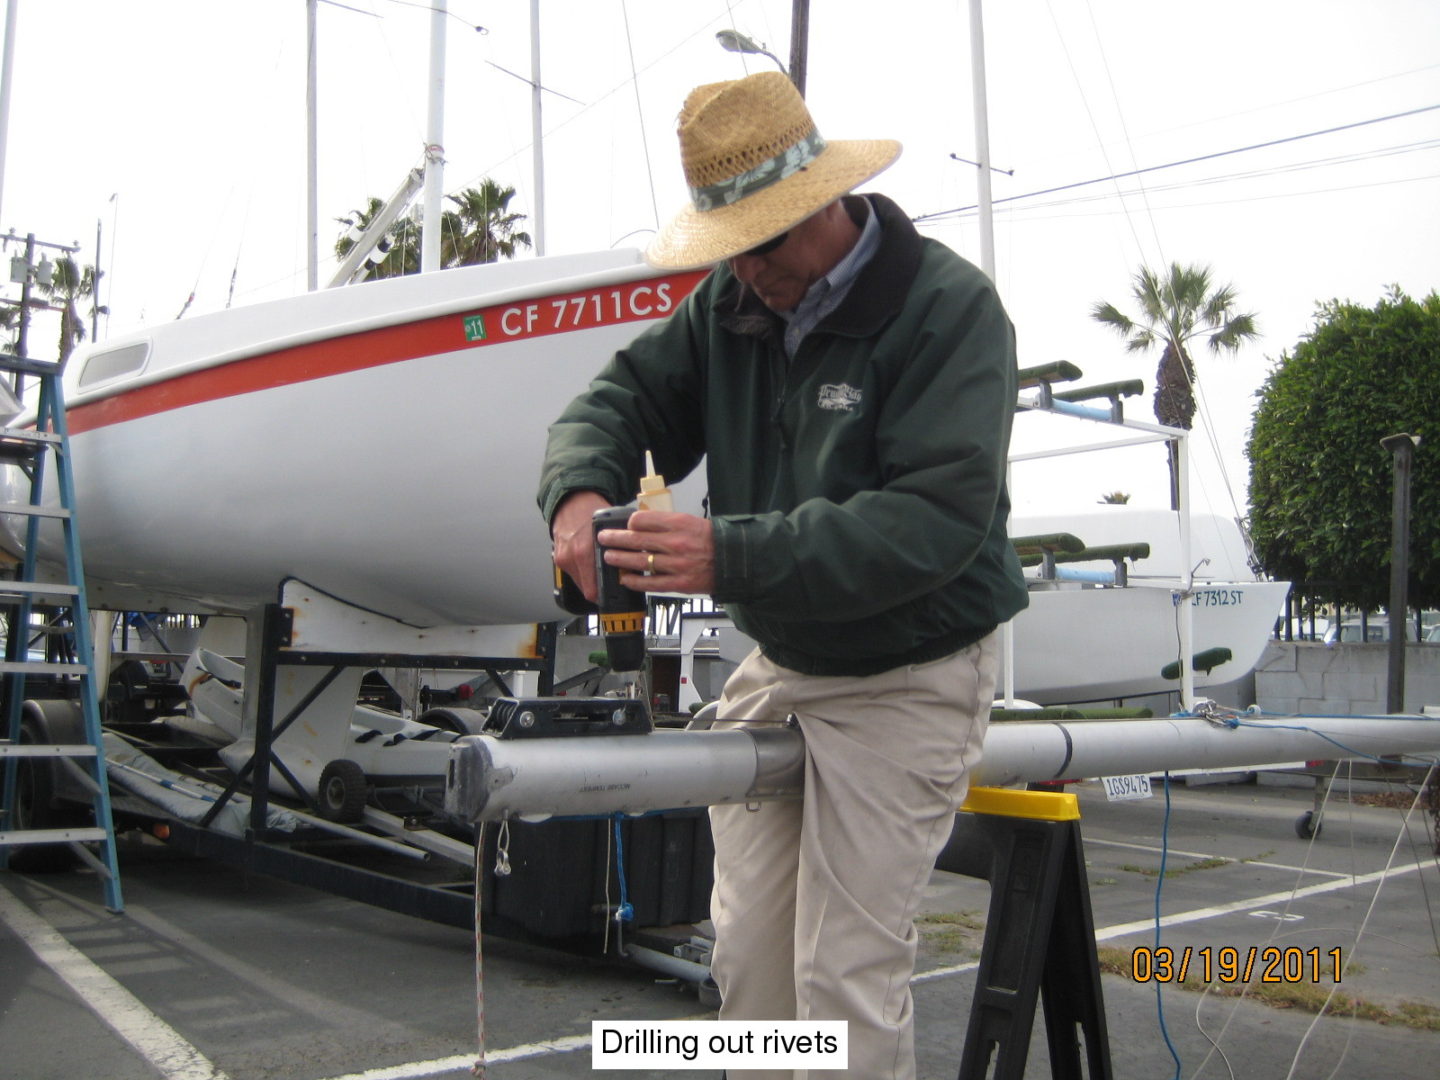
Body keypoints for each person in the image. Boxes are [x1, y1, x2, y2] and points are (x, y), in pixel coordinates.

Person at [539, 71, 1028, 1080]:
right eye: (728, 249)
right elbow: (618, 400)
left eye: (761, 243)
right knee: (751, 970)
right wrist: (578, 497)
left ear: (822, 204)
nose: (746, 273)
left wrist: (729, 556)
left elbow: (932, 524)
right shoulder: (733, 301)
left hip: (912, 668)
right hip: (793, 658)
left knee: (846, 977)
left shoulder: (951, 312)